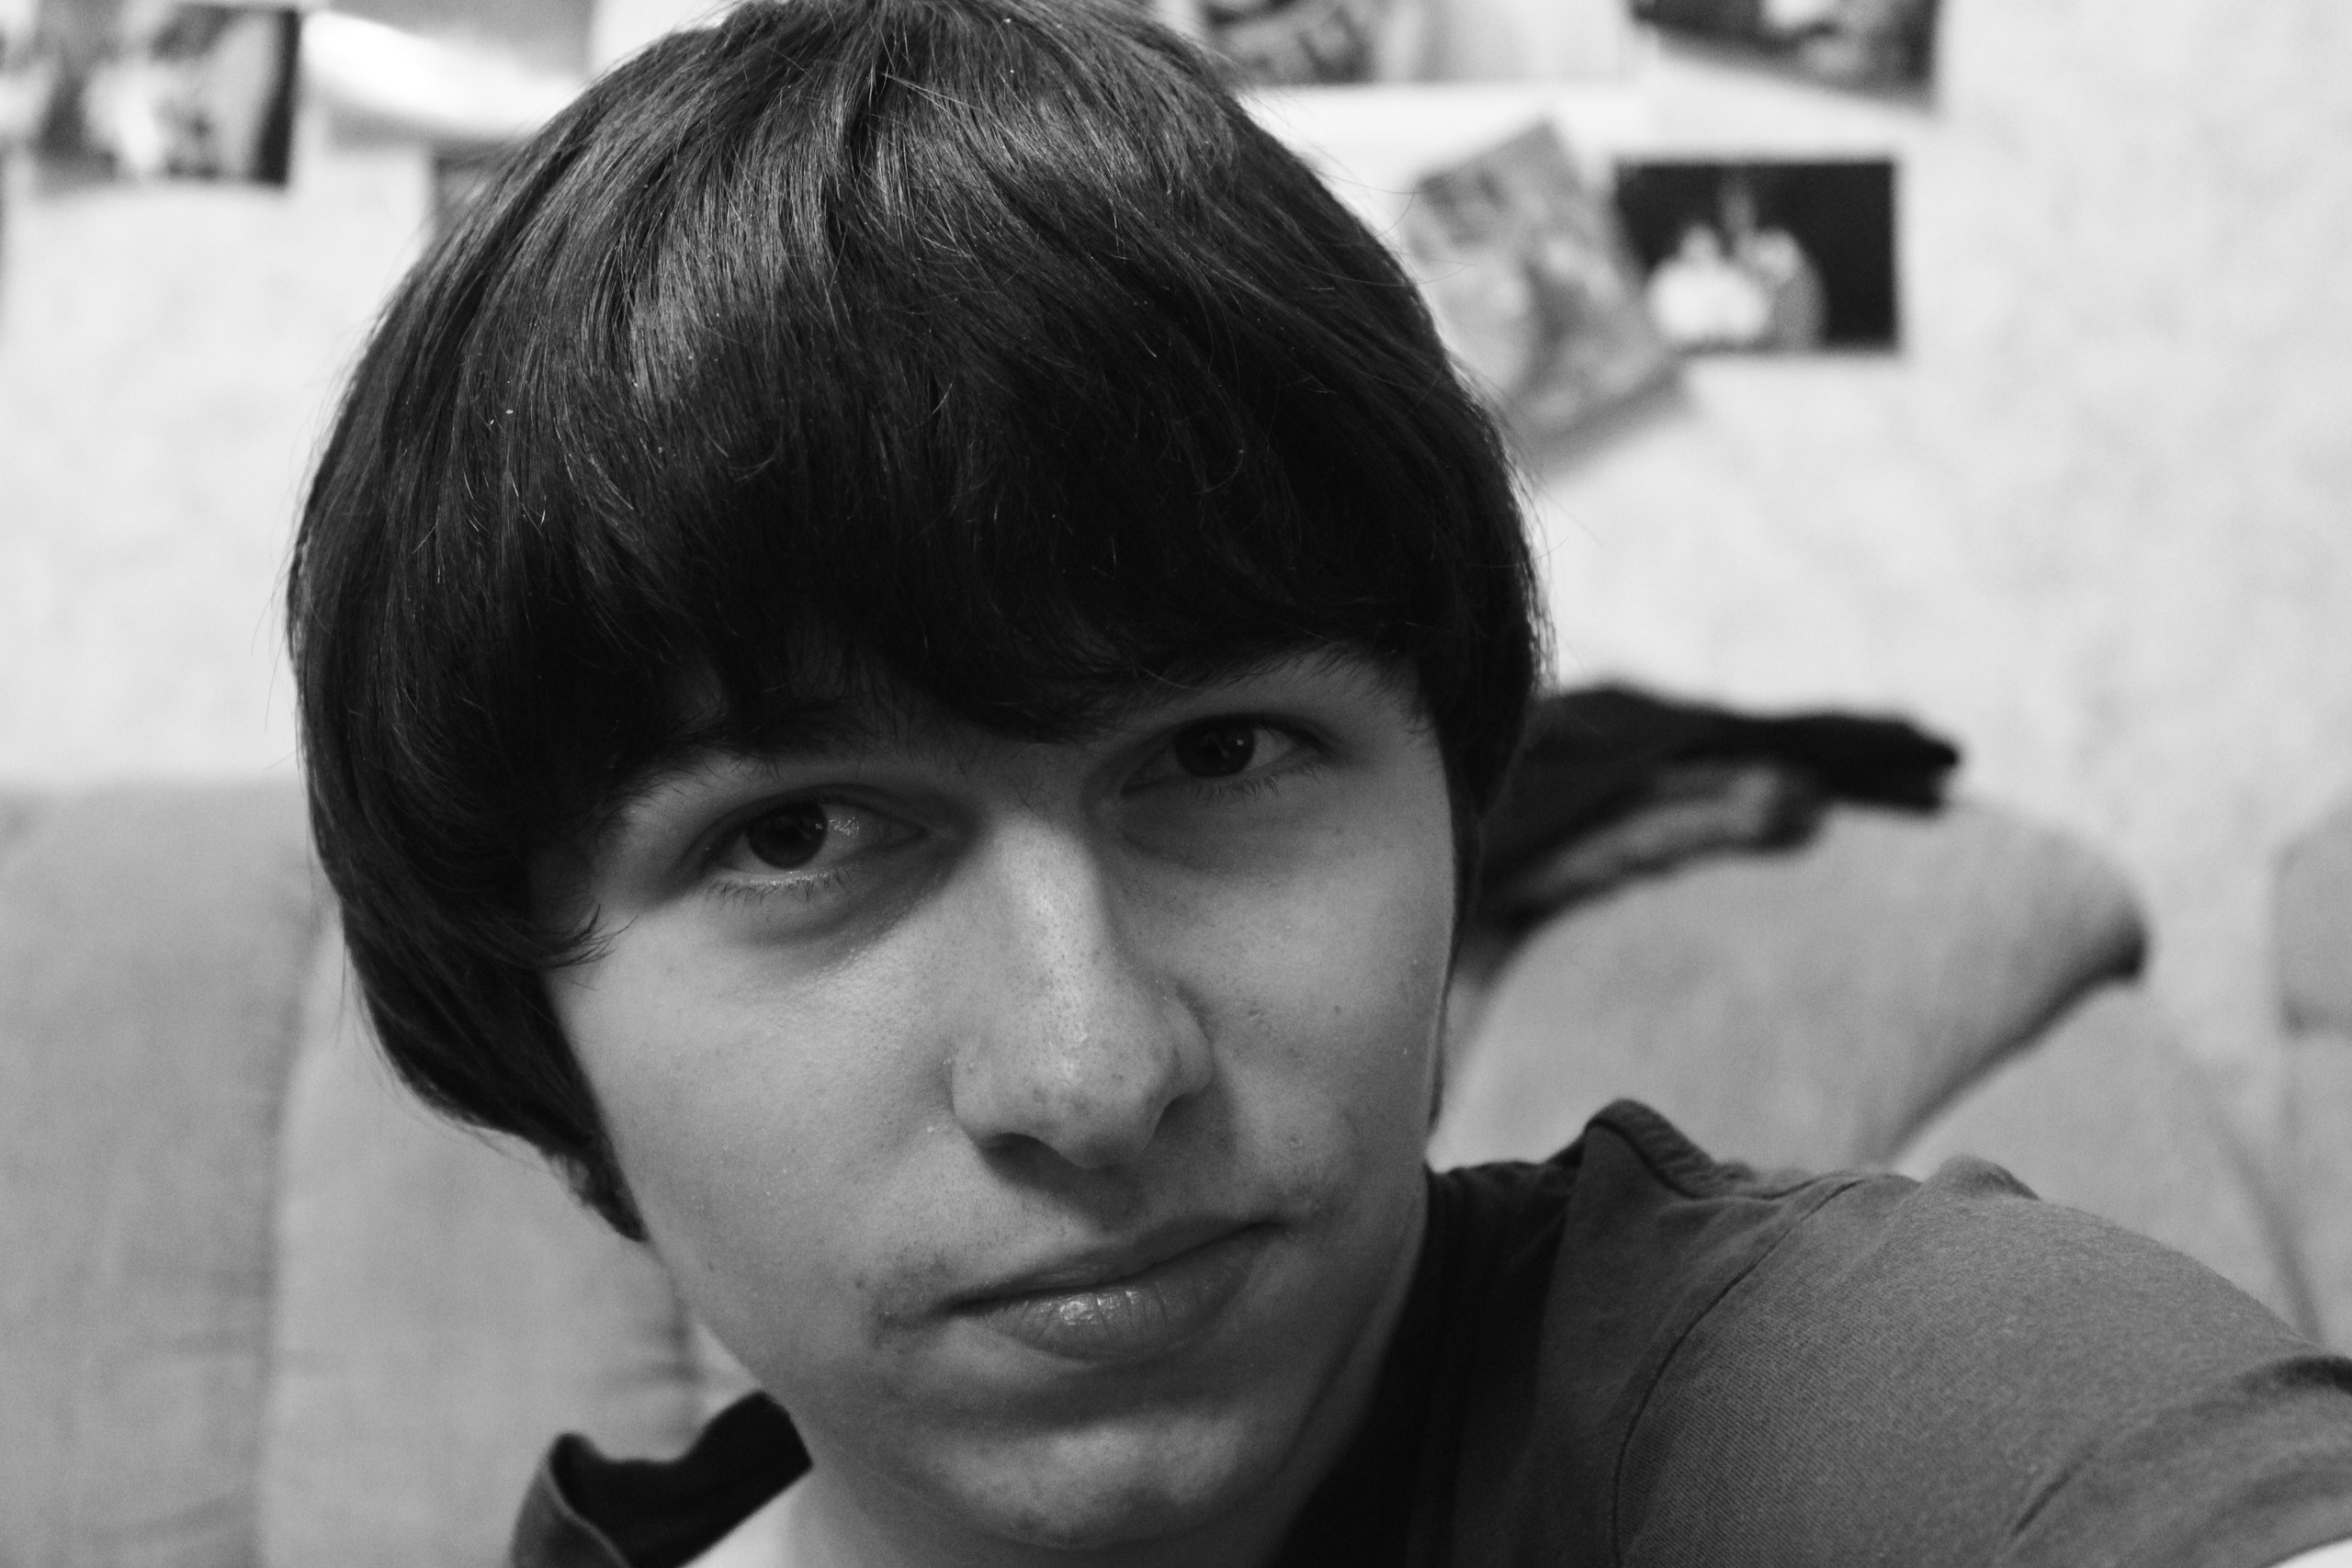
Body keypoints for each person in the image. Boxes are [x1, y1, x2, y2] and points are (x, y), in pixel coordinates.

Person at [285, 1, 2352, 1564]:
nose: (1094, 1072)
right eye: (797, 834)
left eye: (1218, 752)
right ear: (528, 1017)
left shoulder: (1814, 1396)